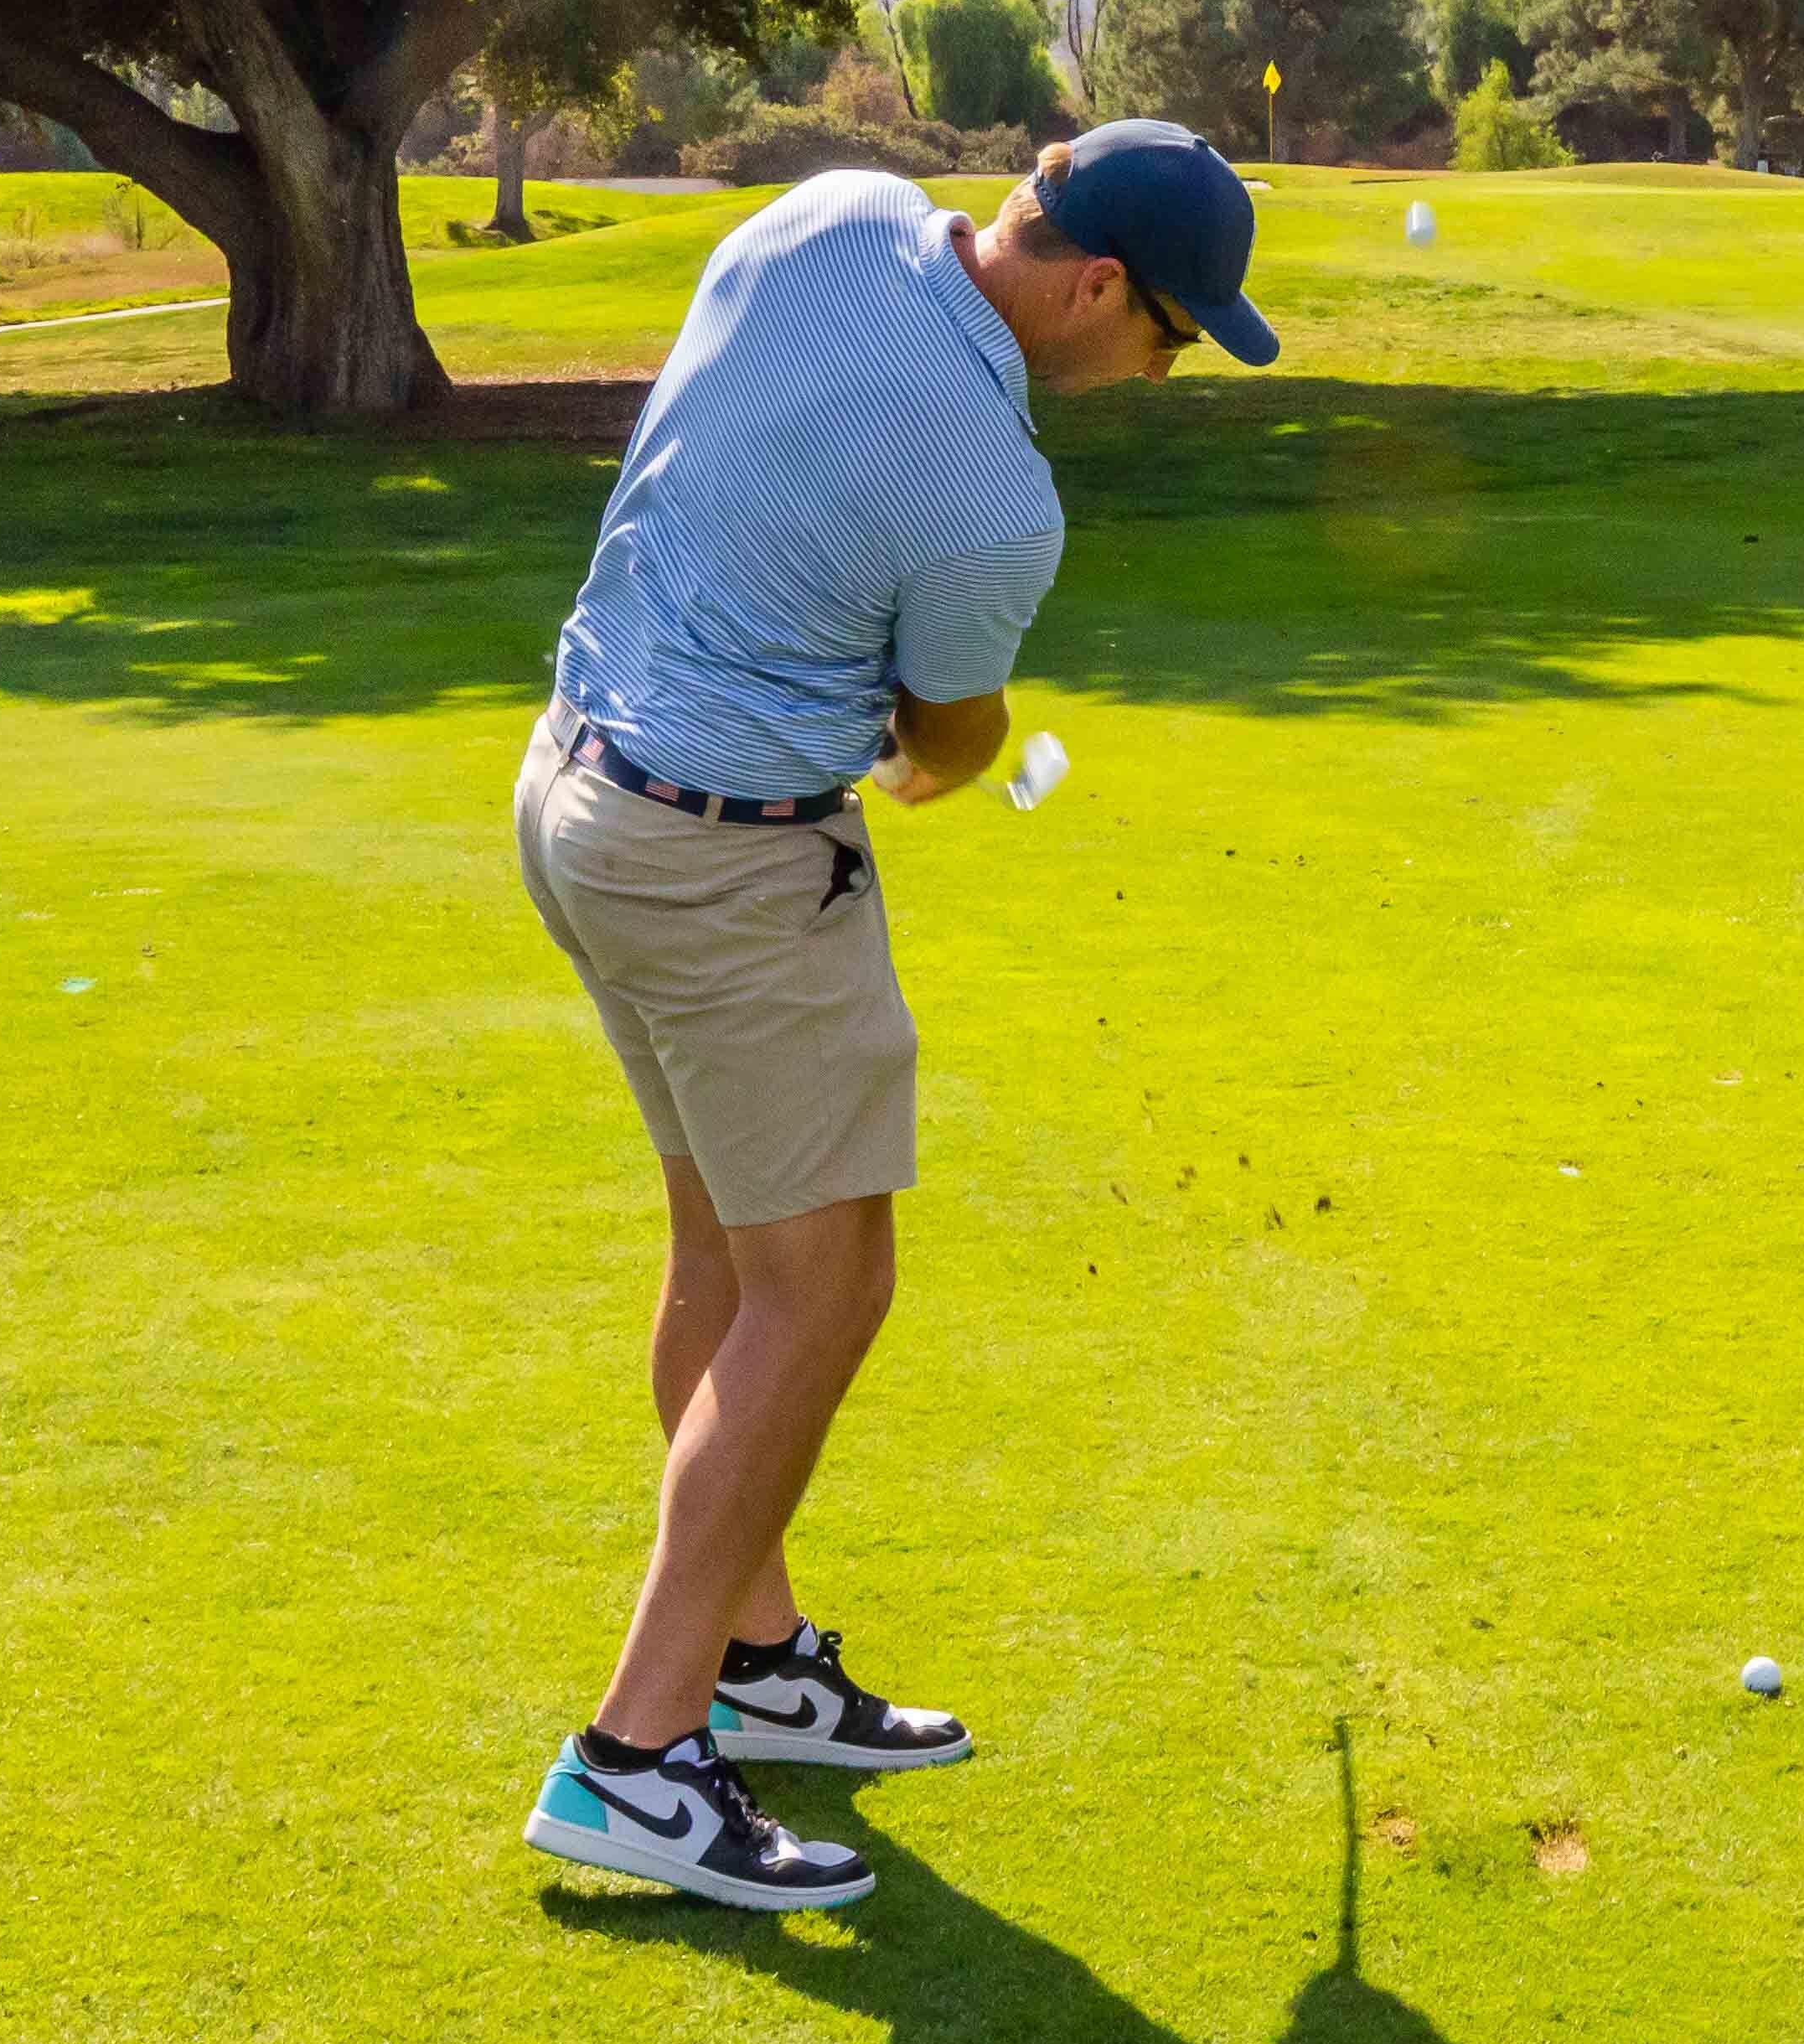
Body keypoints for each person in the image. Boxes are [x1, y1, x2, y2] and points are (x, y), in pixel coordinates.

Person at [513, 119, 1276, 1910]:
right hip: (729, 868)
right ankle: (636, 1754)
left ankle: (757, 1661)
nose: (1161, 370)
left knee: (728, 1260)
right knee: (826, 1287)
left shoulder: (829, 213)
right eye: (1170, 333)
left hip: (578, 793)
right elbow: (948, 734)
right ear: (1097, 286)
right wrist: (945, 757)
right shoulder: (997, 496)